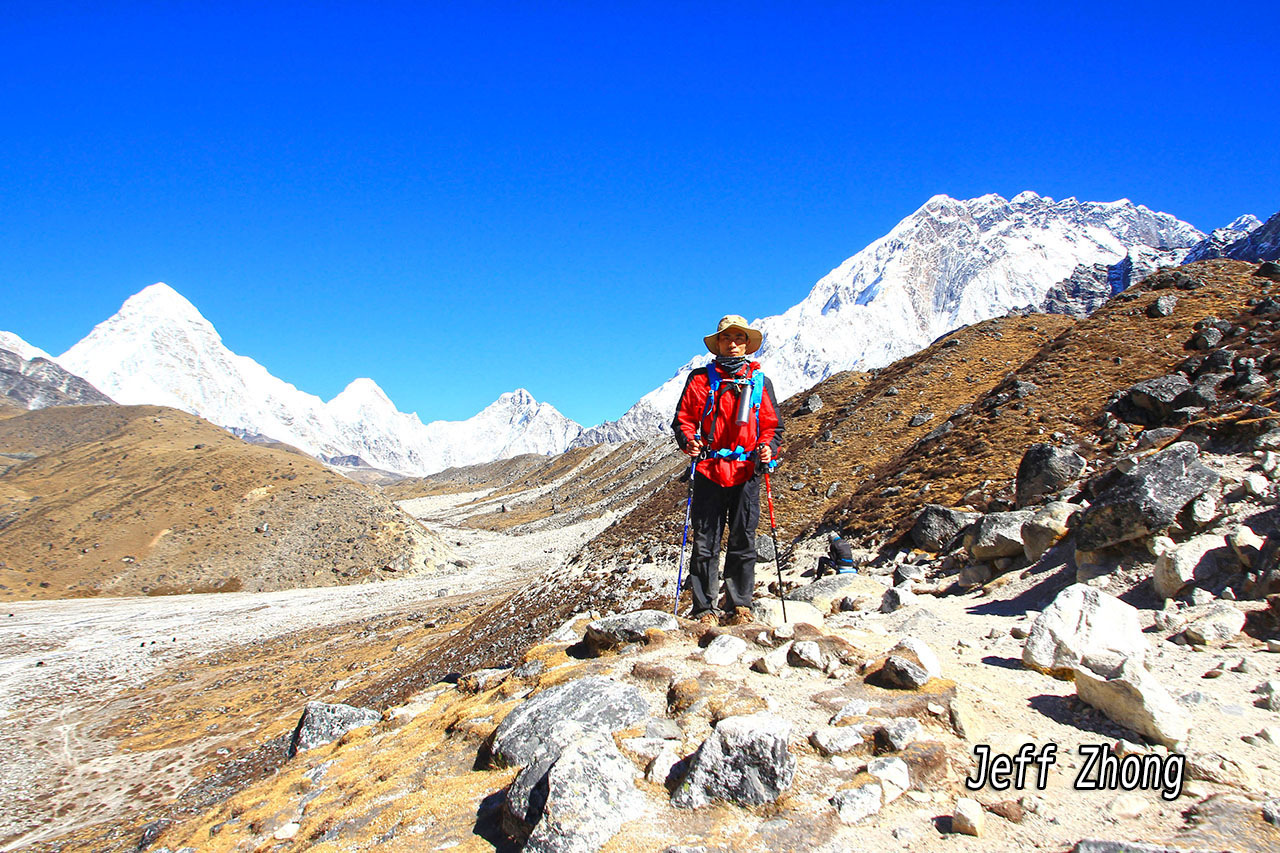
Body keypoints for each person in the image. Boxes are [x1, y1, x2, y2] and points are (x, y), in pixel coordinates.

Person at [672, 314, 784, 626]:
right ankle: (704, 609)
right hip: (709, 469)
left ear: (747, 344)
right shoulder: (699, 380)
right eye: (726, 339)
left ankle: (739, 605)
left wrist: (768, 448)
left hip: (747, 470)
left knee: (743, 539)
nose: (732, 344)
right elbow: (683, 419)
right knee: (705, 540)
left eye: (739, 339)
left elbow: (773, 427)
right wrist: (690, 442)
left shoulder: (761, 382)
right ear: (717, 343)